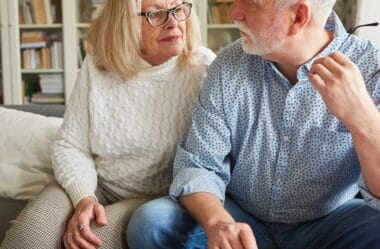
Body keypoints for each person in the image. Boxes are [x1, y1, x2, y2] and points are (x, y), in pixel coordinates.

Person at [126, 0, 380, 248]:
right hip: (240, 214)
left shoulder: (372, 68)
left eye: (250, 3)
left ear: (298, 16)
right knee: (150, 223)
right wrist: (218, 223)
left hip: (331, 223)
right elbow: (199, 164)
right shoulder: (228, 64)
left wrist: (364, 119)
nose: (233, 12)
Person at [0, 0, 215, 248]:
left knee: (85, 242)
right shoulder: (97, 64)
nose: (174, 23)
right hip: (96, 183)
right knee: (27, 239)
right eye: (155, 14)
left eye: (178, 9)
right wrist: (84, 197)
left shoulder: (204, 68)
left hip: (155, 197)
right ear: (125, 23)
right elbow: (71, 144)